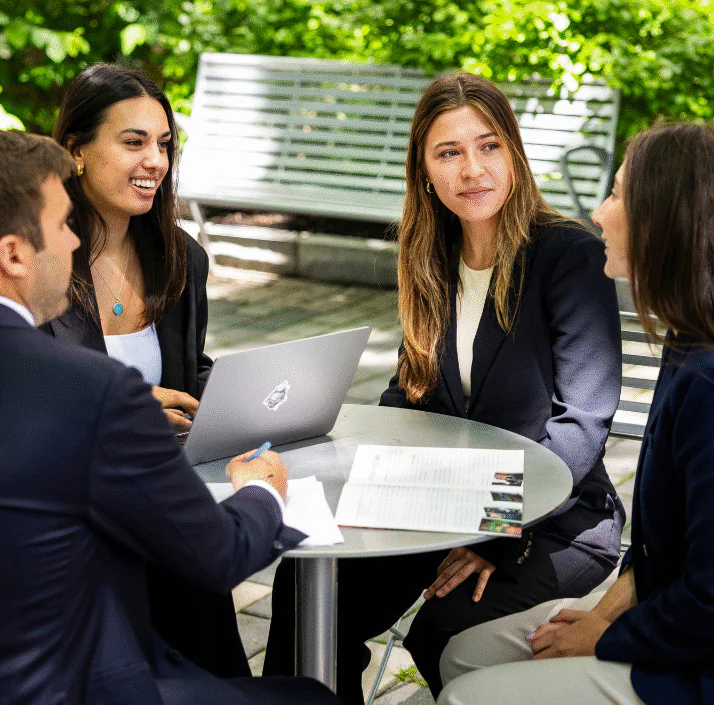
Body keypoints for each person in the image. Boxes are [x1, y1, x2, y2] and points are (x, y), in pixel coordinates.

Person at [0, 128, 339, 705]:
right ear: (14, 254)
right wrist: (263, 493)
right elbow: (217, 557)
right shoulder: (94, 392)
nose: (76, 242)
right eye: (63, 225)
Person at [434, 122, 714, 704]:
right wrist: (612, 603)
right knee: (462, 654)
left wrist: (611, 635)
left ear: (666, 224)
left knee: (467, 697)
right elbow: (677, 546)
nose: (599, 212)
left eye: (619, 194)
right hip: (701, 619)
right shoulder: (697, 336)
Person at [263, 72, 624, 703]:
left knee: (440, 629)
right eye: (448, 153)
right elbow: (412, 395)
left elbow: (582, 426)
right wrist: (364, 479)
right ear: (424, 170)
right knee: (309, 579)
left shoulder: (567, 258)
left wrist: (492, 532)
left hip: (552, 523)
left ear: (513, 152)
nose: (472, 170)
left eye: (488, 147)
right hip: (443, 505)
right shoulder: (431, 256)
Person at [40, 63, 246, 679]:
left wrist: (243, 401)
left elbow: (191, 370)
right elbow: (2, 405)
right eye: (133, 142)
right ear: (75, 151)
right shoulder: (34, 267)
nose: (154, 160)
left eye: (163, 145)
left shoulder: (182, 259)